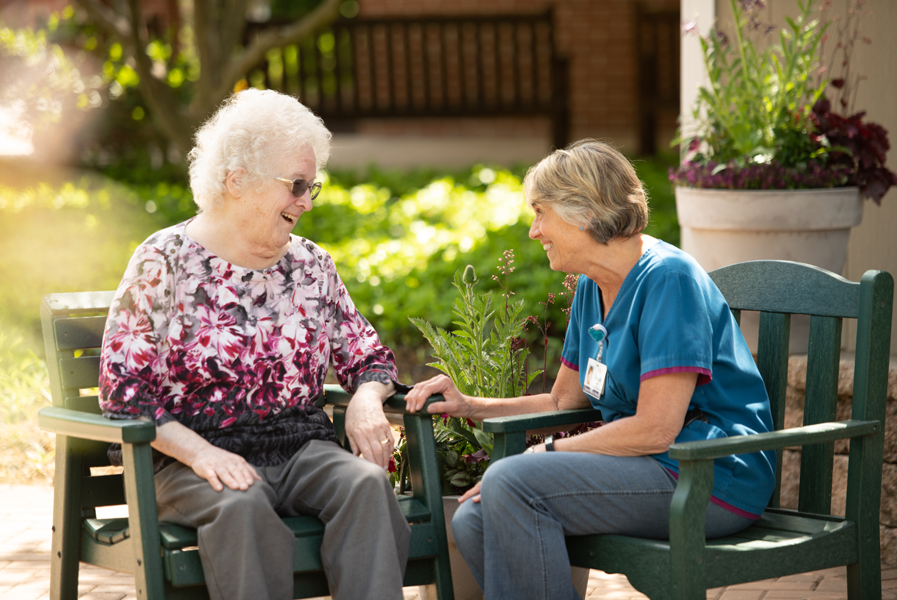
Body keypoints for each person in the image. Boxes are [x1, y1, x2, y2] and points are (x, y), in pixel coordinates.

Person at [405, 139, 776, 600]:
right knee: (474, 521)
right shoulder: (593, 285)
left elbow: (657, 429)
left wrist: (549, 453)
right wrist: (469, 405)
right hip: (648, 467)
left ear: (583, 212)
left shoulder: (668, 279)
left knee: (512, 482)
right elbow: (563, 401)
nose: (533, 231)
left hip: (708, 475)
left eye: (540, 213)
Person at [99, 89, 410, 600]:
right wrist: (201, 454)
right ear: (237, 179)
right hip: (187, 460)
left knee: (366, 486)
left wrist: (366, 399)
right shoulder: (164, 262)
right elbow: (123, 394)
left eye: (313, 186)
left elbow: (368, 358)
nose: (306, 200)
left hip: (299, 448)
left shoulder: (310, 265)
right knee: (243, 503)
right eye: (296, 184)